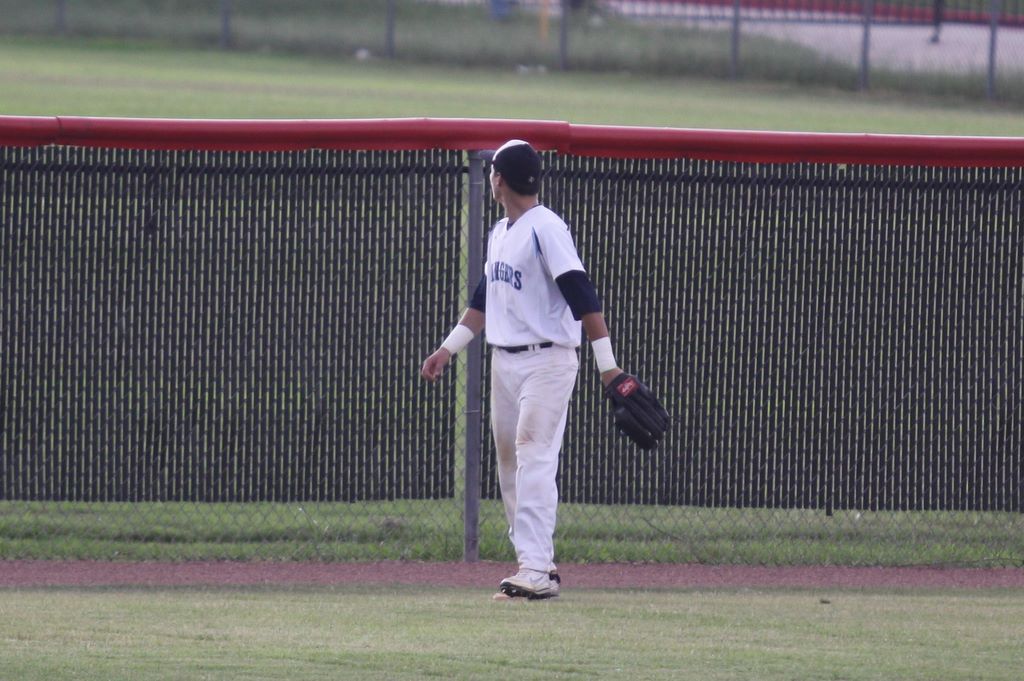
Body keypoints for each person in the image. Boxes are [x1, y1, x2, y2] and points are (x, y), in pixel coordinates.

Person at [421, 139, 624, 600]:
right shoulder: (501, 232)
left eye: (493, 171)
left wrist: (608, 367)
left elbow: (583, 295)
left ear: (498, 179)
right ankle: (537, 565)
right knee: (511, 464)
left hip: (548, 360)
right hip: (506, 360)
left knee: (534, 455)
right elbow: (482, 301)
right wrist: (447, 350)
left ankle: (533, 569)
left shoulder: (545, 227)